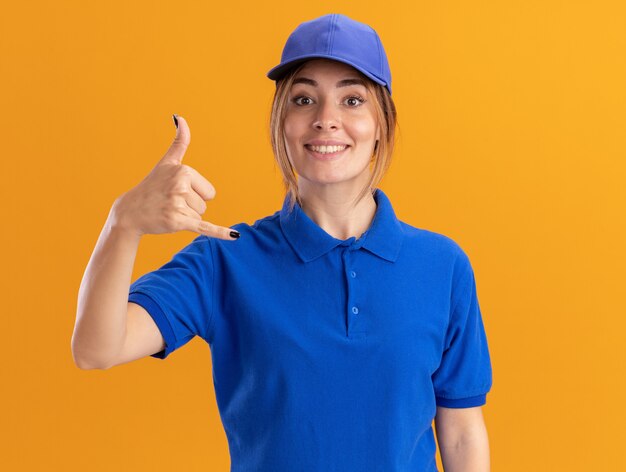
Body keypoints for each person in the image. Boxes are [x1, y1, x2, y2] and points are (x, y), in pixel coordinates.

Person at [72, 13, 492, 471]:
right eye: (304, 99)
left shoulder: (443, 266)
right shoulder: (226, 258)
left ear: (382, 124)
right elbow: (96, 349)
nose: (326, 120)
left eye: (352, 100)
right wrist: (122, 224)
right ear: (281, 122)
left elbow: (462, 430)